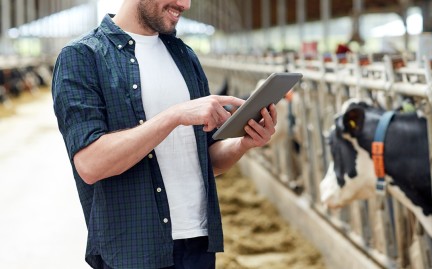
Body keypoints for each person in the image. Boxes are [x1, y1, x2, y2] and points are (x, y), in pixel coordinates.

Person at [51, 0, 277, 268]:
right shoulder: (83, 56)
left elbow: (208, 160)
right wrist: (174, 115)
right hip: (134, 249)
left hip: (197, 243)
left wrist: (243, 143)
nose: (185, 4)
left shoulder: (184, 56)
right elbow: (90, 164)